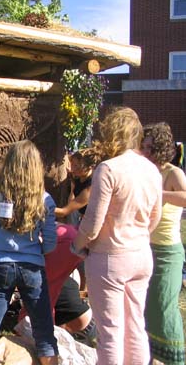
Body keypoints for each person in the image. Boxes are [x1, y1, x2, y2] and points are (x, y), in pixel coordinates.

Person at [73, 107, 162, 365]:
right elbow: (154, 217)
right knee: (136, 326)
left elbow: (92, 222)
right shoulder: (151, 170)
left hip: (110, 257)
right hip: (141, 254)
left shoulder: (109, 169)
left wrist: (78, 245)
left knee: (110, 332)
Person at [0, 140, 58, 365]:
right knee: (44, 334)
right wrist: (37, 251)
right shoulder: (44, 200)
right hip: (32, 268)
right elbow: (52, 242)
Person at [141, 122, 185, 365]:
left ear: (160, 148)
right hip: (146, 249)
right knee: (148, 308)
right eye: (143, 147)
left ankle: (175, 360)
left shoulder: (172, 173)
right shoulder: (144, 172)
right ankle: (150, 355)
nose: (145, 152)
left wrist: (160, 194)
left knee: (165, 307)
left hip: (168, 252)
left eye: (150, 147)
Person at [55, 149, 97, 224]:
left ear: (89, 167)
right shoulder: (77, 177)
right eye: (72, 164)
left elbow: (64, 212)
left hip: (91, 223)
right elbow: (71, 200)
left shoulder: (92, 186)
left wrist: (40, 207)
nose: (73, 169)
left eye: (76, 166)